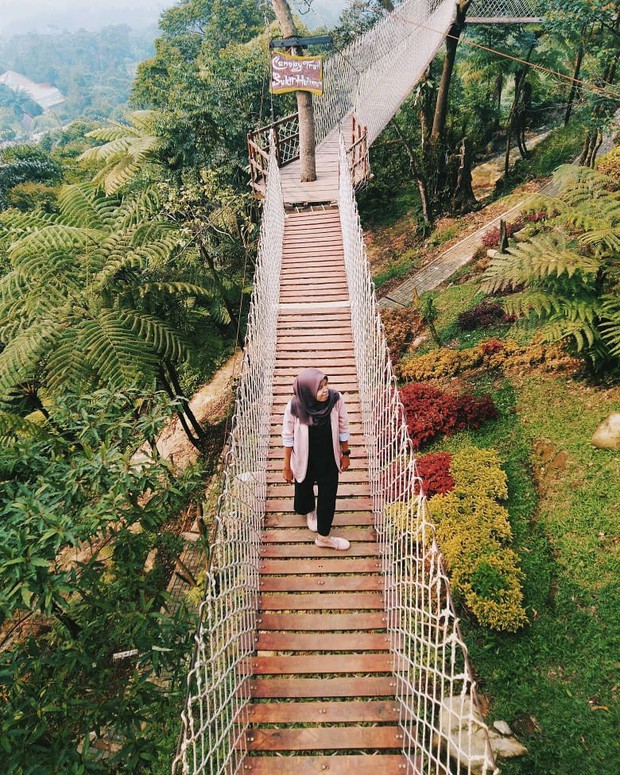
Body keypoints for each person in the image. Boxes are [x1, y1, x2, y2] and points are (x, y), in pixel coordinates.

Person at [282, 367, 351, 551]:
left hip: (329, 457)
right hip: (304, 456)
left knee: (329, 495)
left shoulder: (335, 400)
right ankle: (309, 510)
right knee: (303, 486)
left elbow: (343, 427)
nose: (325, 390)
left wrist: (345, 454)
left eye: (326, 384)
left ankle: (324, 537)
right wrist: (286, 466)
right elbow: (288, 436)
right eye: (319, 387)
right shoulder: (295, 406)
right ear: (308, 391)